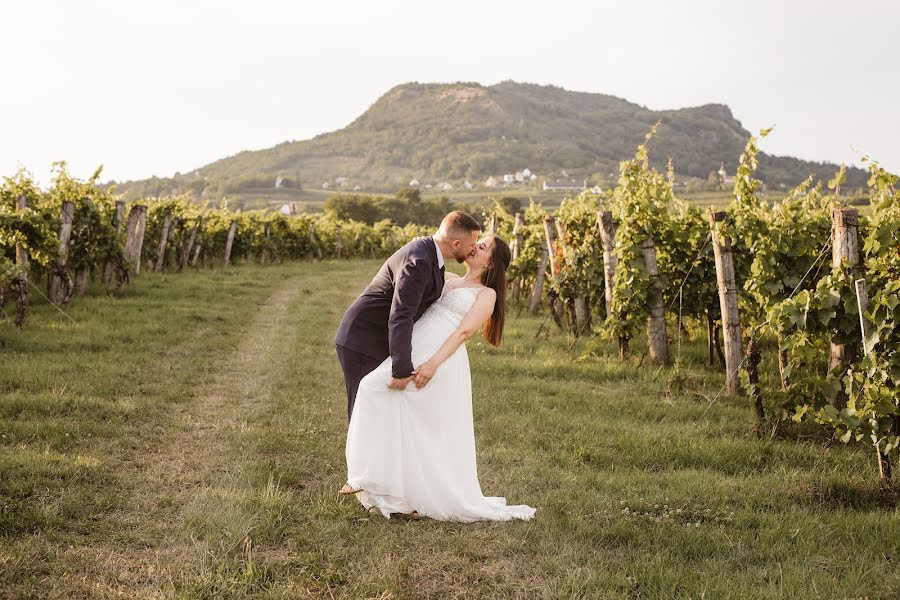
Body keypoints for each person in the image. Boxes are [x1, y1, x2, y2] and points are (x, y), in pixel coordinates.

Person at [342, 234, 536, 523]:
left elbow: (463, 333)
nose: (475, 247)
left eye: (482, 247)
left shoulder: (487, 295)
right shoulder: (451, 279)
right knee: (377, 392)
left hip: (439, 358)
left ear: (492, 262)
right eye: (477, 242)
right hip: (417, 345)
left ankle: (376, 480)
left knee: (396, 406)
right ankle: (380, 482)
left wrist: (432, 364)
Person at [335, 211, 481, 420]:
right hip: (362, 339)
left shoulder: (430, 254)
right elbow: (401, 315)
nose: (473, 248)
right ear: (456, 243)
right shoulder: (420, 260)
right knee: (364, 412)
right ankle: (359, 454)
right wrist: (401, 369)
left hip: (376, 337)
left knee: (377, 409)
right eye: (472, 243)